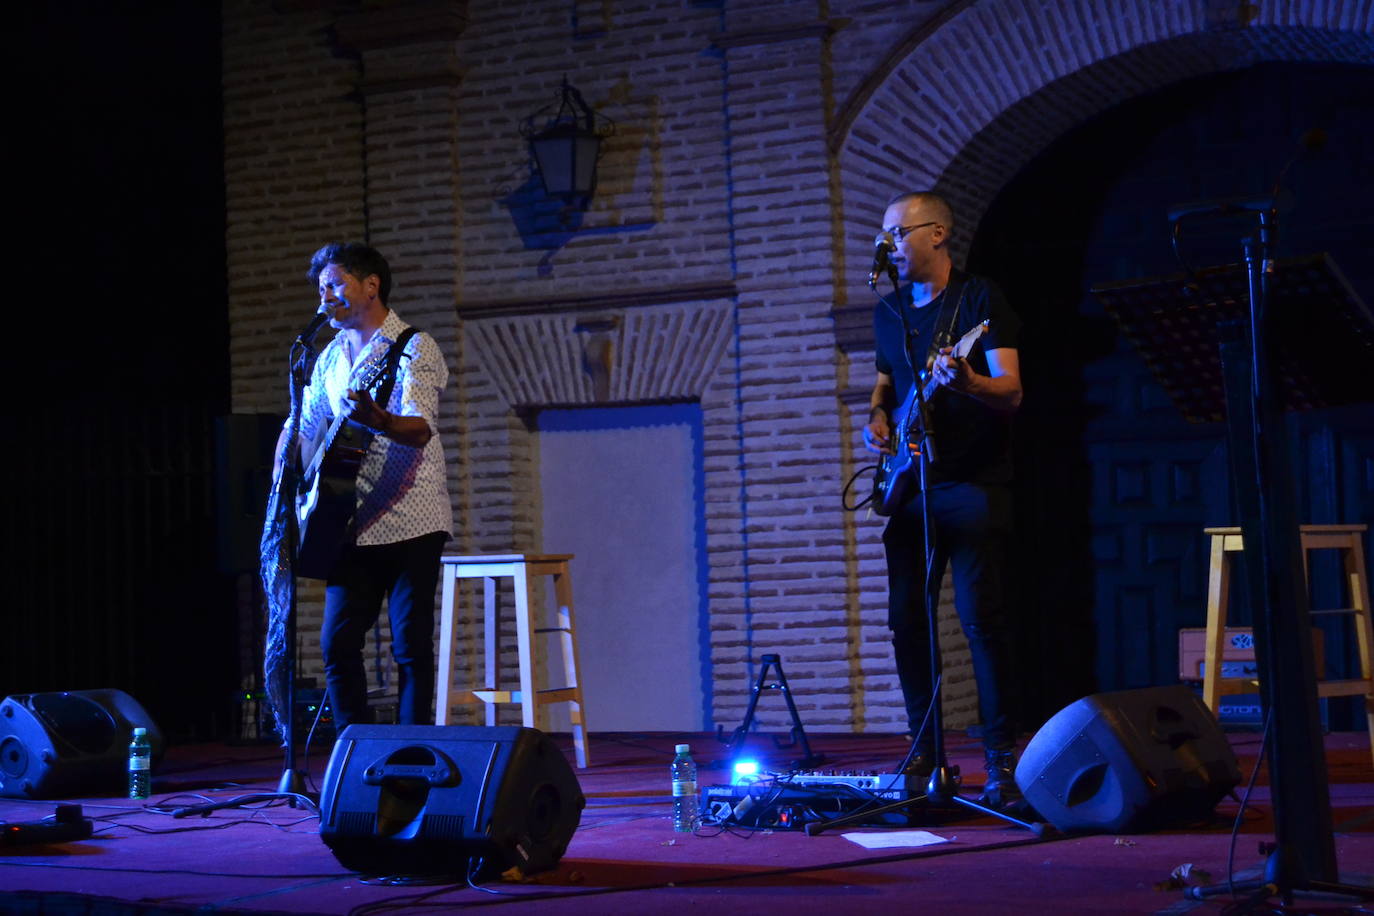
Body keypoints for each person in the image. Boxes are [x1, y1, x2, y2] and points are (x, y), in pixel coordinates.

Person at [863, 191, 1024, 808]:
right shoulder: (891, 312)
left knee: (982, 623)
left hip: (974, 485)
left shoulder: (979, 301)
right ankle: (925, 755)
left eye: (897, 234)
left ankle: (1000, 764)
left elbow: (1011, 392)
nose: (889, 247)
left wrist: (970, 381)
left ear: (936, 234)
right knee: (907, 621)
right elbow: (884, 383)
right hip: (910, 489)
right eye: (884, 236)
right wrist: (877, 417)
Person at [276, 242, 453, 730]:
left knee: (409, 647)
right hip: (349, 522)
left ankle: (412, 753)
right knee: (336, 644)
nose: (324, 298)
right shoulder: (331, 357)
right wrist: (283, 485)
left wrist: (377, 419)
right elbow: (304, 426)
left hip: (411, 518)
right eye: (320, 289)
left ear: (370, 285)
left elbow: (419, 428)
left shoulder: (413, 346)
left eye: (334, 285)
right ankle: (355, 753)